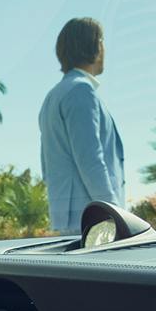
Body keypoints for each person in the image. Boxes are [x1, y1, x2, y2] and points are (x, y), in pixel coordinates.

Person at [38, 17, 125, 231]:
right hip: (93, 222)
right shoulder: (80, 91)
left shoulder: (54, 96)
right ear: (95, 45)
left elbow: (46, 166)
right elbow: (91, 161)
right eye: (102, 41)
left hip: (69, 220)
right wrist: (117, 218)